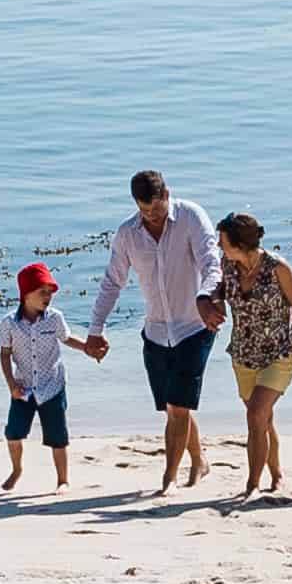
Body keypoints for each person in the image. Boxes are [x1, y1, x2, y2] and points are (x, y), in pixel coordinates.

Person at [85, 167, 224, 493]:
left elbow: (211, 262)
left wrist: (206, 296)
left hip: (195, 327)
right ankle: (200, 460)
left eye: (156, 208)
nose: (151, 216)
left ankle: (169, 479)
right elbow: (112, 283)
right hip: (156, 332)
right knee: (175, 407)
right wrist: (96, 328)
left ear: (166, 194)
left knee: (178, 407)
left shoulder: (191, 216)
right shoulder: (128, 234)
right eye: (144, 210)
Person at [214, 214, 292, 497]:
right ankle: (276, 475)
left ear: (240, 244)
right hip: (243, 353)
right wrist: (212, 304)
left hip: (278, 353)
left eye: (224, 243)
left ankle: (252, 485)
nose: (220, 248)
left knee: (256, 415)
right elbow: (218, 292)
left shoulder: (278, 268)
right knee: (262, 420)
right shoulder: (227, 265)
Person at [0, 263, 79, 493]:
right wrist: (11, 385)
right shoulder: (9, 323)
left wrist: (89, 348)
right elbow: (4, 354)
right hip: (23, 387)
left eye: (50, 292)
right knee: (13, 433)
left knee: (58, 437)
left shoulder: (55, 318)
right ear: (26, 294)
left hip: (52, 385)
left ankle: (63, 480)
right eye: (42, 291)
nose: (48, 297)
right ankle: (17, 470)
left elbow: (67, 339)